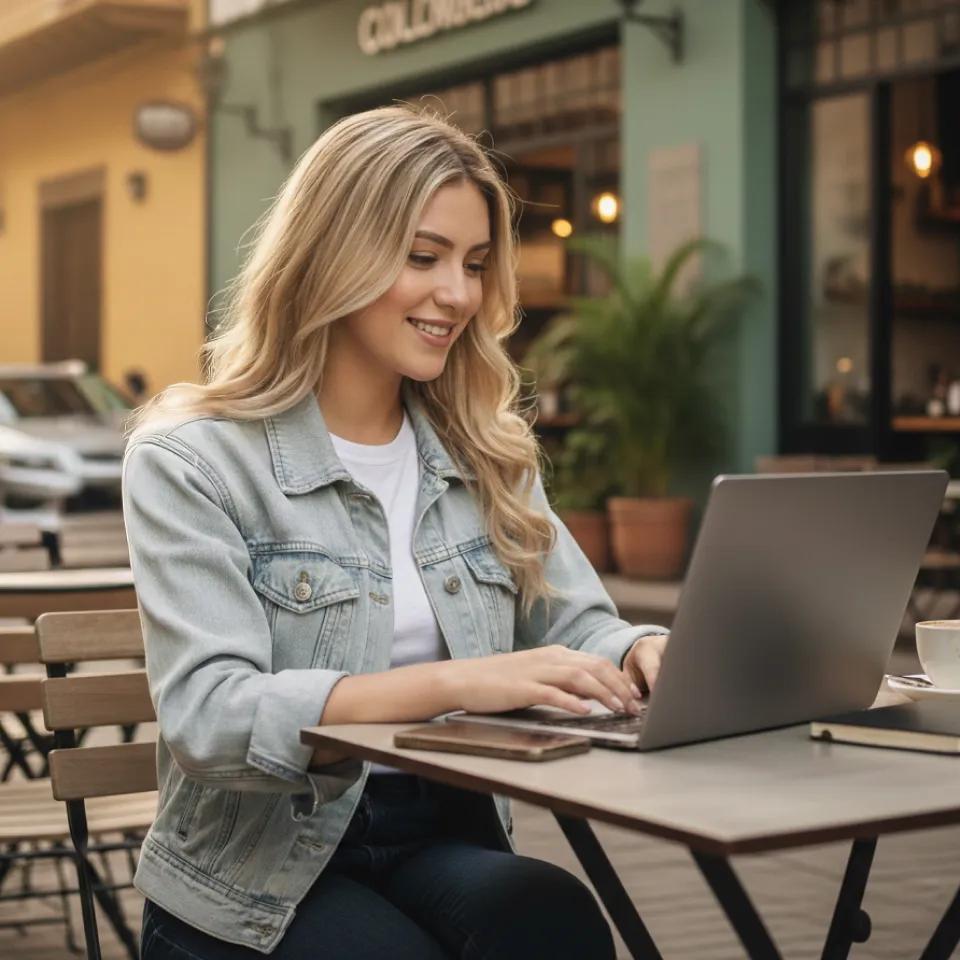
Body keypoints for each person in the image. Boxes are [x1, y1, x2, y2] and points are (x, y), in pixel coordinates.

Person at [123, 105, 669, 960]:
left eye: (476, 264)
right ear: (332, 253)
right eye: (424, 257)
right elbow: (210, 716)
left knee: (551, 920)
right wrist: (464, 681)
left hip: (438, 828)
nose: (458, 294)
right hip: (254, 867)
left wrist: (639, 648)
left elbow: (575, 627)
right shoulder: (192, 461)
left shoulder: (483, 452)